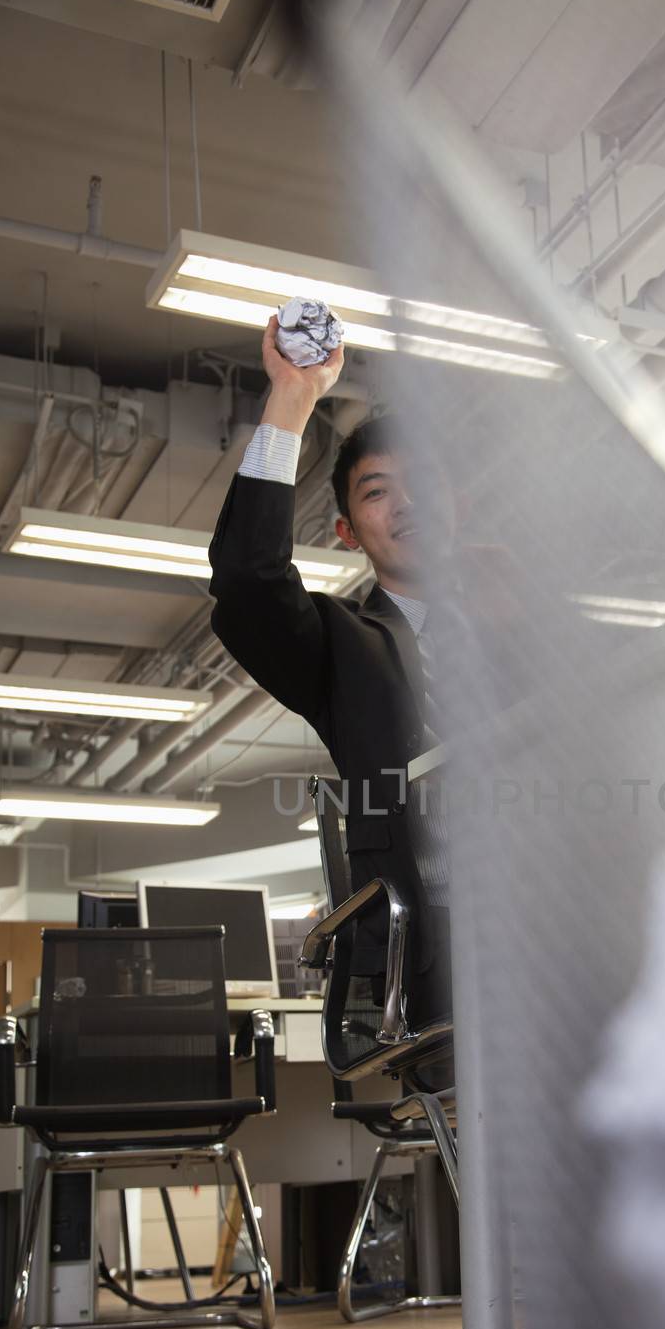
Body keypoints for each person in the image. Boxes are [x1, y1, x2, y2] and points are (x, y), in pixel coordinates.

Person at [208, 317, 453, 1026]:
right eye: (377, 492)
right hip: (449, 955)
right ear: (348, 532)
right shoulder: (345, 649)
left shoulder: (533, 632)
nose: (406, 503)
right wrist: (293, 396)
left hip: (578, 925)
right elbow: (249, 580)